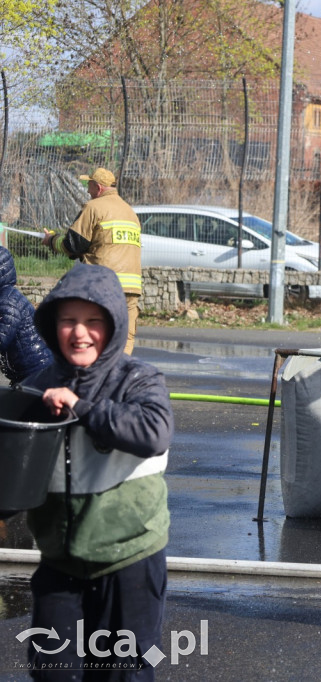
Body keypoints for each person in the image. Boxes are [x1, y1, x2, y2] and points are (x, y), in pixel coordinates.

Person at [20, 263, 174, 680]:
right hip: (61, 561)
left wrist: (80, 407)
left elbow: (153, 432)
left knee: (126, 672)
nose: (80, 332)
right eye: (68, 320)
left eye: (93, 321)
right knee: (52, 670)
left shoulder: (138, 380)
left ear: (114, 326)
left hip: (129, 560)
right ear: (53, 326)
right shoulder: (37, 386)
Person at [43, 167, 143, 354]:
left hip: (103, 285)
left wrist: (51, 240)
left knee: (94, 334)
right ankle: (117, 376)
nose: (87, 191)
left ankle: (94, 378)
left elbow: (72, 246)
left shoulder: (94, 207)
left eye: (89, 185)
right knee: (124, 337)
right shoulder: (130, 213)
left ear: (98, 187)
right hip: (131, 289)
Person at [0, 245, 52, 384]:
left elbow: (2, 337)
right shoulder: (7, 296)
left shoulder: (8, 302)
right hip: (27, 369)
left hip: (34, 369)